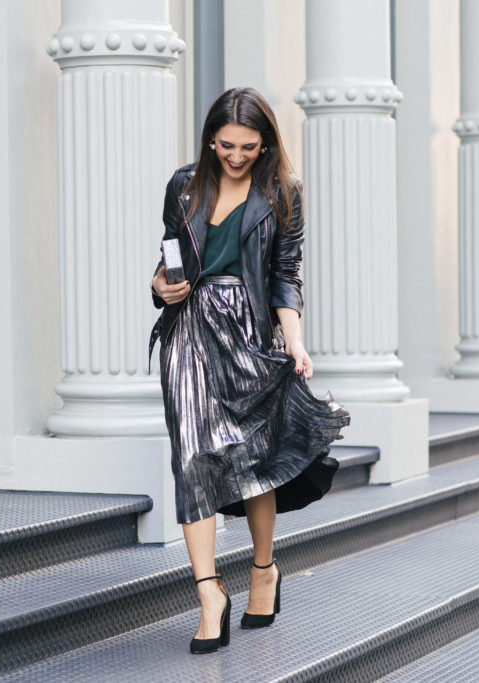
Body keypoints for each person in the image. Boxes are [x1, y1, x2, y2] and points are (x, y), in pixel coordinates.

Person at [149, 87, 350, 654]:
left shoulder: (282, 191)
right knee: (192, 459)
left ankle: (264, 570)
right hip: (188, 329)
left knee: (252, 458)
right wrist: (159, 287)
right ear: (211, 138)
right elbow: (167, 257)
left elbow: (286, 273)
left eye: (249, 147)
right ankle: (210, 593)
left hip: (249, 332)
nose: (236, 157)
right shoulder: (183, 185)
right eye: (227, 145)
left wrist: (295, 342)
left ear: (265, 145)